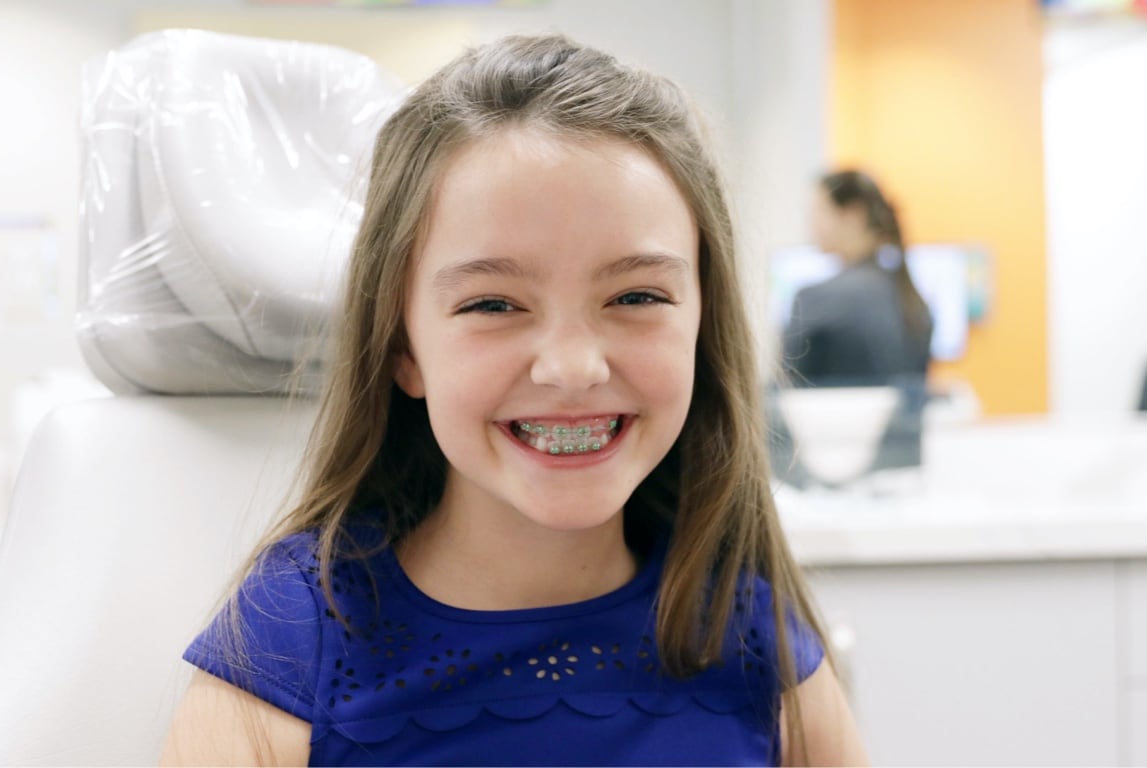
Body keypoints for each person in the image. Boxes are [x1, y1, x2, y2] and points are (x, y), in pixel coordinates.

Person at [161, 34, 866, 766]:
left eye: (636, 295)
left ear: (701, 324)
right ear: (405, 348)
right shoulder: (292, 640)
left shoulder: (754, 639)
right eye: (493, 303)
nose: (572, 368)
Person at [782, 170, 933, 388]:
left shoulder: (813, 299)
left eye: (819, 211)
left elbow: (787, 393)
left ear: (853, 215)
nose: (812, 224)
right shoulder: (912, 298)